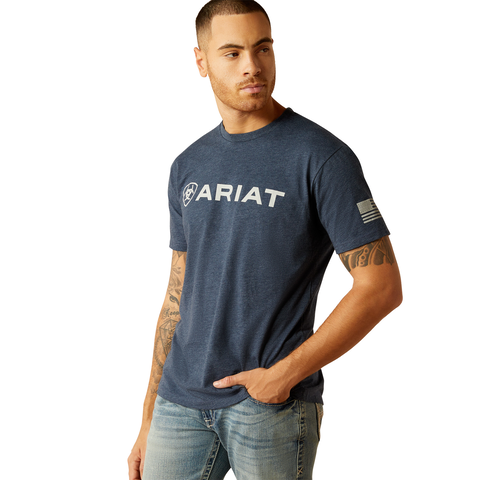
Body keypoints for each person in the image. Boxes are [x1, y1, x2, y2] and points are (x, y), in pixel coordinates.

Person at [128, 1, 403, 479]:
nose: (252, 66)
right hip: (180, 402)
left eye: (263, 48)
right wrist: (148, 418)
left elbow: (381, 287)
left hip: (270, 405)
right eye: (232, 53)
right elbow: (177, 295)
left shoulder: (322, 158)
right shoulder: (188, 165)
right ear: (201, 62)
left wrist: (283, 376)